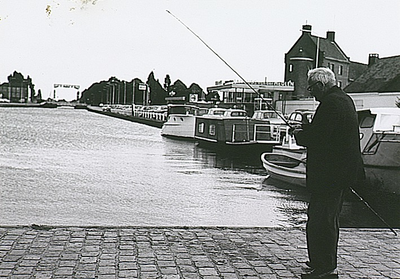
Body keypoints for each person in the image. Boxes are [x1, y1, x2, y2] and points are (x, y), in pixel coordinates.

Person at [293, 67, 364, 279]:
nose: (311, 92)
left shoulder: (330, 104)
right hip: (338, 174)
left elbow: (318, 139)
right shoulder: (344, 99)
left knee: (322, 220)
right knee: (322, 218)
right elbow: (328, 135)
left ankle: (325, 268)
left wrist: (299, 134)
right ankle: (319, 262)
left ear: (321, 85)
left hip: (330, 176)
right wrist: (307, 130)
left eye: (312, 87)